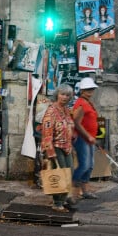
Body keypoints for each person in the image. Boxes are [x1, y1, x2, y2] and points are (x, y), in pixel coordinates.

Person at [40, 83, 76, 212]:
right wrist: (50, 151)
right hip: (55, 147)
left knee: (69, 173)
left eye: (67, 95)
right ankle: (57, 202)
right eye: (62, 94)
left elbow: (70, 126)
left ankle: (63, 198)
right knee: (59, 174)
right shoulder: (51, 111)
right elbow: (46, 131)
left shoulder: (66, 110)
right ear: (57, 95)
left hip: (67, 146)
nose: (65, 97)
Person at [72, 77, 100, 200]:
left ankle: (85, 191)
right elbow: (76, 122)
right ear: (82, 90)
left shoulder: (88, 102)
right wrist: (88, 135)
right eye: (87, 89)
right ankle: (72, 190)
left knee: (90, 165)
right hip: (82, 139)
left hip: (89, 139)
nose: (90, 91)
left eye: (92, 89)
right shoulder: (81, 103)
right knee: (84, 165)